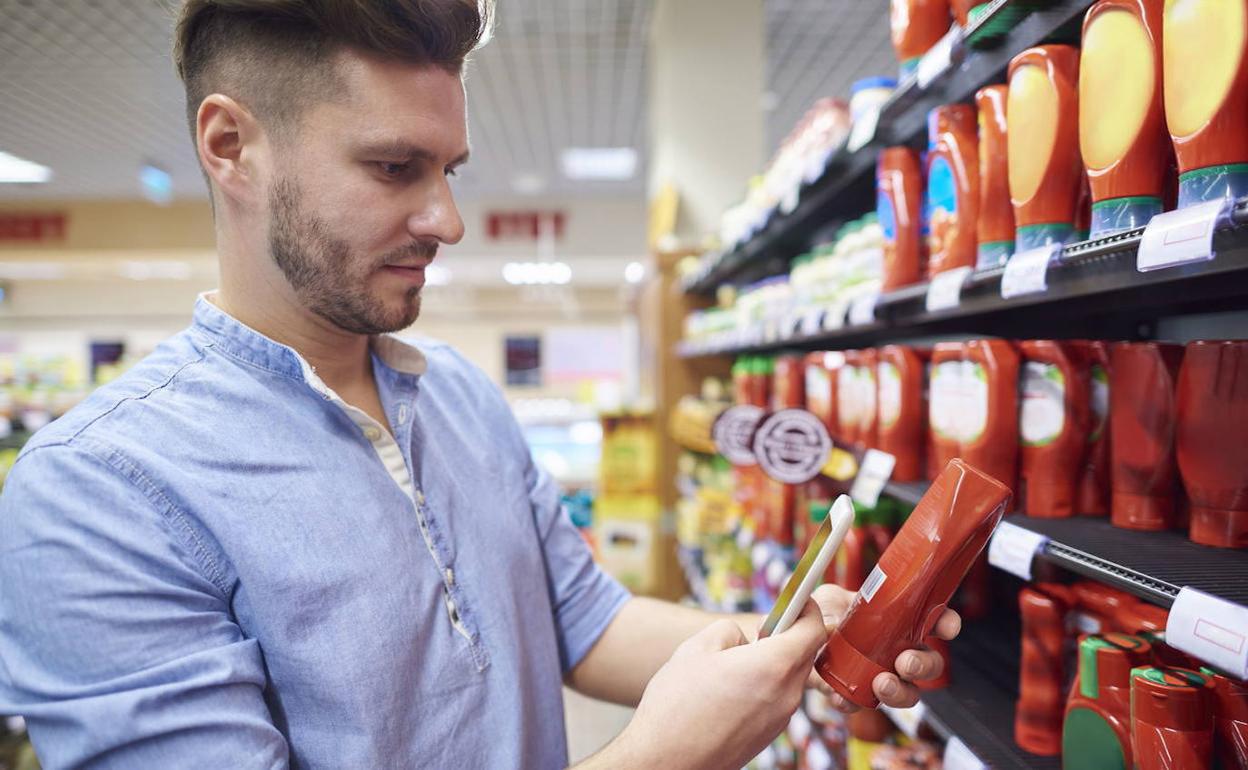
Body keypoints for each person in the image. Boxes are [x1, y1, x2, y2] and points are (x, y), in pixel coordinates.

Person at [0, 1, 959, 768]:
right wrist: (669, 756)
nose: (447, 219)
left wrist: (789, 632)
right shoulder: (99, 494)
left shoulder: (457, 395)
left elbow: (588, 625)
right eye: (393, 167)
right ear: (229, 146)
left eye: (449, 168)